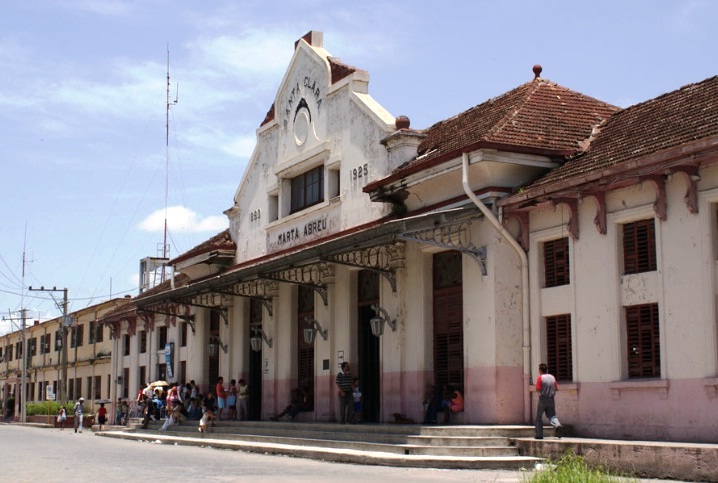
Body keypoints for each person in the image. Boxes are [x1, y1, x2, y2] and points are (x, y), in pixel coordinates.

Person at [535, 363, 562, 439]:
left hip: (543, 399)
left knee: (539, 417)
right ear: (546, 370)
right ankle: (558, 425)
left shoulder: (540, 378)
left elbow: (537, 389)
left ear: (540, 370)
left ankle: (539, 435)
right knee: (552, 416)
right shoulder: (552, 377)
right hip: (551, 399)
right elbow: (557, 388)